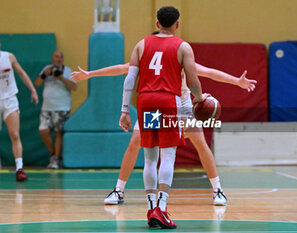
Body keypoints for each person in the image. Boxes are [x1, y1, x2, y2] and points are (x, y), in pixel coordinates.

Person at [71, 62, 256, 207]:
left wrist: (236, 81)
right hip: (156, 106)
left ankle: (218, 190)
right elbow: (121, 68)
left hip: (182, 106)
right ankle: (118, 190)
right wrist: (90, 74)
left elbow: (208, 71)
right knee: (135, 142)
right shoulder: (147, 58)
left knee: (200, 143)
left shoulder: (180, 57)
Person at [122, 6, 208, 229]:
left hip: (146, 100)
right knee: (168, 156)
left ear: (157, 23)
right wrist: (199, 99)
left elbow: (130, 80)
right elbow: (192, 79)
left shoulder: (141, 44)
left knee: (149, 157)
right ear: (177, 24)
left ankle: (151, 208)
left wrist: (124, 110)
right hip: (168, 100)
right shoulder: (182, 47)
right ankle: (162, 209)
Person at [0, 41, 39, 181]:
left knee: (14, 134)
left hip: (10, 100)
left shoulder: (8, 57)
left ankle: (19, 169)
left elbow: (21, 73)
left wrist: (33, 90)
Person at [35, 51, 77, 169]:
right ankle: (53, 153)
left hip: (61, 107)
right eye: (57, 56)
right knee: (43, 131)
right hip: (47, 107)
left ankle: (55, 160)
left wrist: (61, 77)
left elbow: (74, 87)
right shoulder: (47, 69)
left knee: (59, 133)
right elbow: (37, 83)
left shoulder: (67, 70)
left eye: (61, 57)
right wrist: (44, 74)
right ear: (52, 58)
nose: (59, 59)